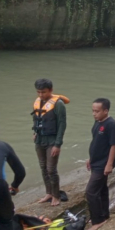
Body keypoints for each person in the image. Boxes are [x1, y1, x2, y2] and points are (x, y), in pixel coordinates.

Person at [32, 78, 69, 206]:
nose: (41, 95)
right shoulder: (38, 102)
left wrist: (57, 144)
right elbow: (36, 119)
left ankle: (56, 196)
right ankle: (48, 193)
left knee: (51, 169)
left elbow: (62, 124)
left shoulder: (58, 104)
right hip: (40, 140)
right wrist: (35, 132)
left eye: (44, 92)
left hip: (52, 141)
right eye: (39, 92)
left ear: (51, 90)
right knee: (43, 168)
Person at [85, 98, 115, 230]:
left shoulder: (111, 125)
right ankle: (103, 214)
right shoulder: (98, 121)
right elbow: (96, 141)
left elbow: (114, 145)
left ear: (106, 111)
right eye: (93, 111)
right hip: (95, 160)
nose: (94, 114)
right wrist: (90, 158)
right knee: (102, 189)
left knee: (91, 192)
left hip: (103, 163)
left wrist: (109, 164)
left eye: (97, 111)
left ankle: (97, 221)